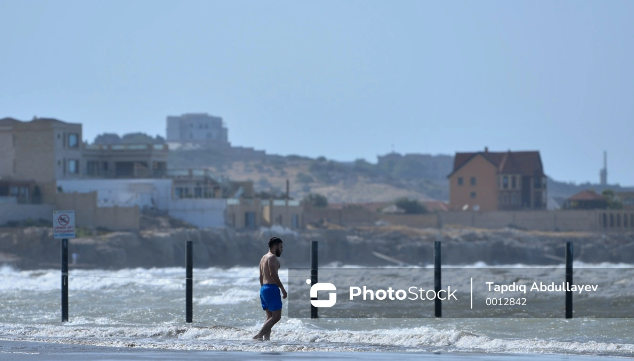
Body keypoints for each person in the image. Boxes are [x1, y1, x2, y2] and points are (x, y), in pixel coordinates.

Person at [253, 237, 287, 341]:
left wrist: (263, 289)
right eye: (280, 247)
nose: (282, 249)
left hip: (264, 288)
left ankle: (266, 339)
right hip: (271, 288)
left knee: (269, 317)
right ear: (275, 246)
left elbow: (261, 276)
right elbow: (273, 274)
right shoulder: (272, 257)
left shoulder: (263, 258)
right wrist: (282, 288)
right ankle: (259, 335)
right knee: (276, 317)